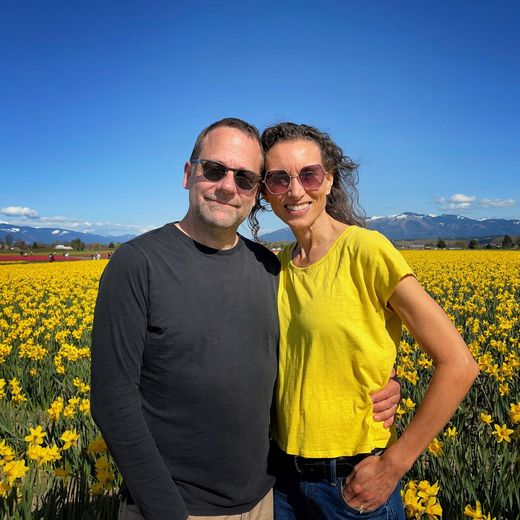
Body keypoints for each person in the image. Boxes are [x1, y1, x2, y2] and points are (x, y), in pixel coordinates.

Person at [90, 118, 400, 520]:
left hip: (267, 502)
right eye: (214, 170)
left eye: (245, 178)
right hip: (175, 509)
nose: (227, 187)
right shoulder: (138, 263)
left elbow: (320, 340)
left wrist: (388, 380)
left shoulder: (269, 268)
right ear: (188, 174)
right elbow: (113, 402)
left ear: (256, 194)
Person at [249, 122, 479, 519]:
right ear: (265, 192)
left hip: (351, 488)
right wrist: (388, 375)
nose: (296, 190)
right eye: (278, 179)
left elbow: (459, 364)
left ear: (329, 180)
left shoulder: (365, 250)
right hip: (282, 484)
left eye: (309, 174)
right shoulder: (277, 267)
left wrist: (393, 465)